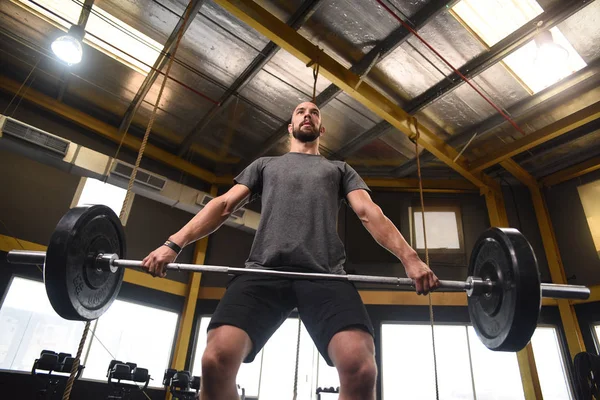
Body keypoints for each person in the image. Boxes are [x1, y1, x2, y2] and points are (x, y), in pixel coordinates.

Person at [141, 101, 440, 400]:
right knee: (214, 360)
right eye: (300, 112)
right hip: (263, 271)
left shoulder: (339, 170)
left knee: (361, 369)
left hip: (325, 276)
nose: (306, 114)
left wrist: (411, 259)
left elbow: (369, 212)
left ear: (321, 129)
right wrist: (173, 243)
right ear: (290, 127)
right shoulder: (265, 165)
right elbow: (223, 206)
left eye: (313, 112)